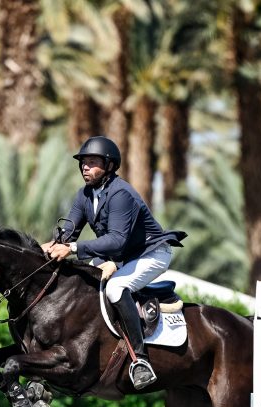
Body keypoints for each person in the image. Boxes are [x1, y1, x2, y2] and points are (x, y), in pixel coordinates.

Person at [43, 136, 186, 390]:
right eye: (83, 163)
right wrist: (49, 246)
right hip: (121, 254)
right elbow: (68, 233)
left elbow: (117, 241)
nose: (85, 167)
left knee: (115, 289)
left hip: (150, 253)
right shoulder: (85, 195)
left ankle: (140, 360)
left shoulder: (121, 194)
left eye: (92, 162)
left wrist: (73, 249)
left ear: (109, 166)